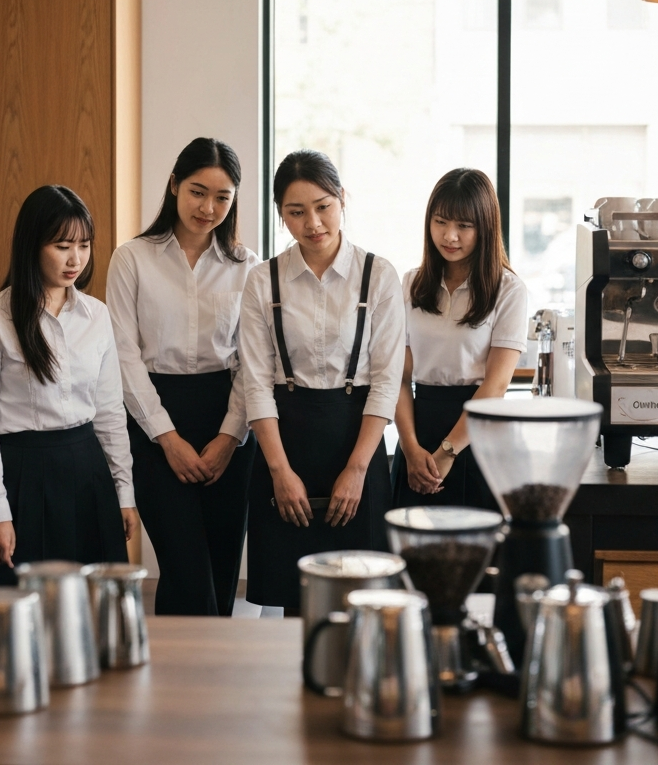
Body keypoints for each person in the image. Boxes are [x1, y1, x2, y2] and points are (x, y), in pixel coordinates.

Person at [238, 149, 404, 615]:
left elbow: (386, 382)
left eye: (323, 206)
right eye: (296, 212)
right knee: (296, 607)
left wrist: (357, 470)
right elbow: (256, 384)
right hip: (285, 448)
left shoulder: (378, 275)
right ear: (281, 214)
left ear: (342, 199)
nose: (312, 223)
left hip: (359, 445)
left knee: (363, 600)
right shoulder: (263, 280)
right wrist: (279, 472)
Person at [108, 138, 260, 616]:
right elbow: (123, 356)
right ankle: (181, 663)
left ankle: (203, 664)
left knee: (220, 569)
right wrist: (167, 438)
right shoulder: (132, 258)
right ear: (174, 184)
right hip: (153, 418)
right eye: (198, 192)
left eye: (222, 197)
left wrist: (229, 438)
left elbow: (254, 360)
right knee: (185, 570)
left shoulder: (248, 266)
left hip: (228, 415)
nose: (208, 208)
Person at [0, 185, 136, 585]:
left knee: (96, 604)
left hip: (89, 471)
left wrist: (123, 493)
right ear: (32, 245)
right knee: (27, 606)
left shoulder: (96, 315)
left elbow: (110, 413)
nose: (76, 259)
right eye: (62, 246)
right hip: (24, 477)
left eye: (84, 245)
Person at [393, 168, 527, 511]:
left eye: (464, 226)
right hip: (418, 431)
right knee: (411, 538)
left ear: (485, 228)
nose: (449, 236)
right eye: (440, 222)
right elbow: (399, 378)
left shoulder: (508, 290)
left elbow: (496, 385)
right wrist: (410, 448)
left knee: (478, 540)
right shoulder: (410, 284)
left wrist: (447, 452)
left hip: (478, 433)